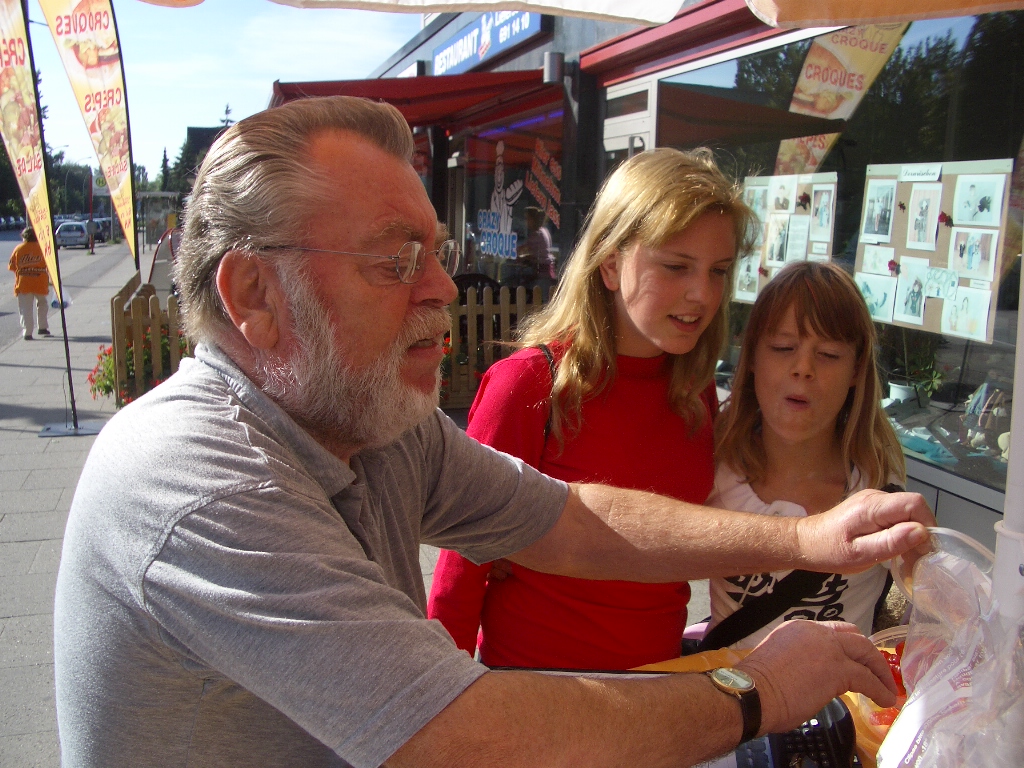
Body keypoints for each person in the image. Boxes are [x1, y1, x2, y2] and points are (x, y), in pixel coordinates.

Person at [54, 96, 933, 768]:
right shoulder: (201, 480)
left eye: (436, 253)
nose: (444, 287)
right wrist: (760, 688)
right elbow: (459, 733)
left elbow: (566, 519)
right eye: (396, 259)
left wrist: (807, 539)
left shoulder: (371, 419)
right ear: (254, 295)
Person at [429, 147, 750, 670]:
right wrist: (445, 699)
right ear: (610, 264)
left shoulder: (695, 390)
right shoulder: (528, 385)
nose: (702, 293)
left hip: (662, 689)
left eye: (719, 271)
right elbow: (458, 575)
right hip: (537, 694)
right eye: (676, 266)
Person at [708, 262, 907, 649]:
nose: (803, 368)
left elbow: (934, 598)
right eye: (783, 348)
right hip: (729, 687)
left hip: (841, 689)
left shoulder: (879, 483)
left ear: (856, 370)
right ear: (751, 357)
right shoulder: (712, 464)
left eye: (829, 354)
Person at [8, 226, 51, 340]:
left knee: (25, 308)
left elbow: (12, 266)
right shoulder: (42, 248)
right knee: (42, 304)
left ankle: (27, 332)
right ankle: (42, 327)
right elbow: (49, 264)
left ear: (24, 237)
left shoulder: (19, 249)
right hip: (40, 281)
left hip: (24, 282)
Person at [519, 205, 556, 300]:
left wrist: (519, 257)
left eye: (527, 219)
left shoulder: (537, 235)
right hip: (546, 272)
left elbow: (522, 249)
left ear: (533, 219)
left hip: (542, 273)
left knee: (540, 300)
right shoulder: (544, 231)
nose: (526, 222)